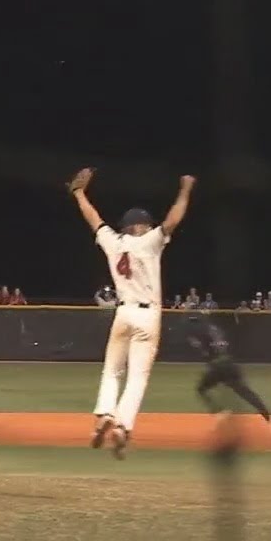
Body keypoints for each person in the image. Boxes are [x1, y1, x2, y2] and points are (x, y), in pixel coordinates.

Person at [69, 167, 196, 459]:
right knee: (138, 376)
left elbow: (94, 219)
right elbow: (173, 220)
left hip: (123, 313)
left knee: (112, 370)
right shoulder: (149, 242)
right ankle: (123, 426)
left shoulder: (115, 242)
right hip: (147, 316)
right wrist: (185, 190)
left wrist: (78, 194)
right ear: (141, 226)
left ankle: (103, 415)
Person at [186, 315, 271, 436]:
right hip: (230, 365)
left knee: (201, 389)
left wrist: (197, 344)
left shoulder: (200, 334)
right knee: (246, 393)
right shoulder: (217, 330)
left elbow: (205, 351)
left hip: (218, 368)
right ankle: (270, 418)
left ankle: (220, 413)